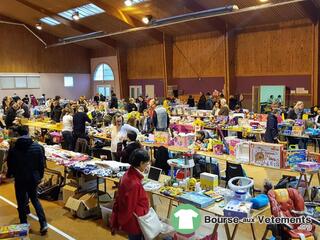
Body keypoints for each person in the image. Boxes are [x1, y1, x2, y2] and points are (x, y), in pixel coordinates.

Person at [6, 126, 48, 235]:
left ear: (18, 134)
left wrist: (9, 174)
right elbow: (41, 165)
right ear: (28, 133)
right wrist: (40, 176)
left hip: (20, 178)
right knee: (34, 199)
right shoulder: (38, 147)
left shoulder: (14, 148)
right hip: (33, 178)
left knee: (21, 201)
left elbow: (10, 165)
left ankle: (24, 225)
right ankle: (43, 223)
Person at [111, 149, 150, 240]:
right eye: (146, 164)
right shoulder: (134, 183)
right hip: (135, 220)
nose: (147, 166)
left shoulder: (127, 175)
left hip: (133, 218)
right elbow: (129, 207)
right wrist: (120, 221)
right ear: (141, 163)